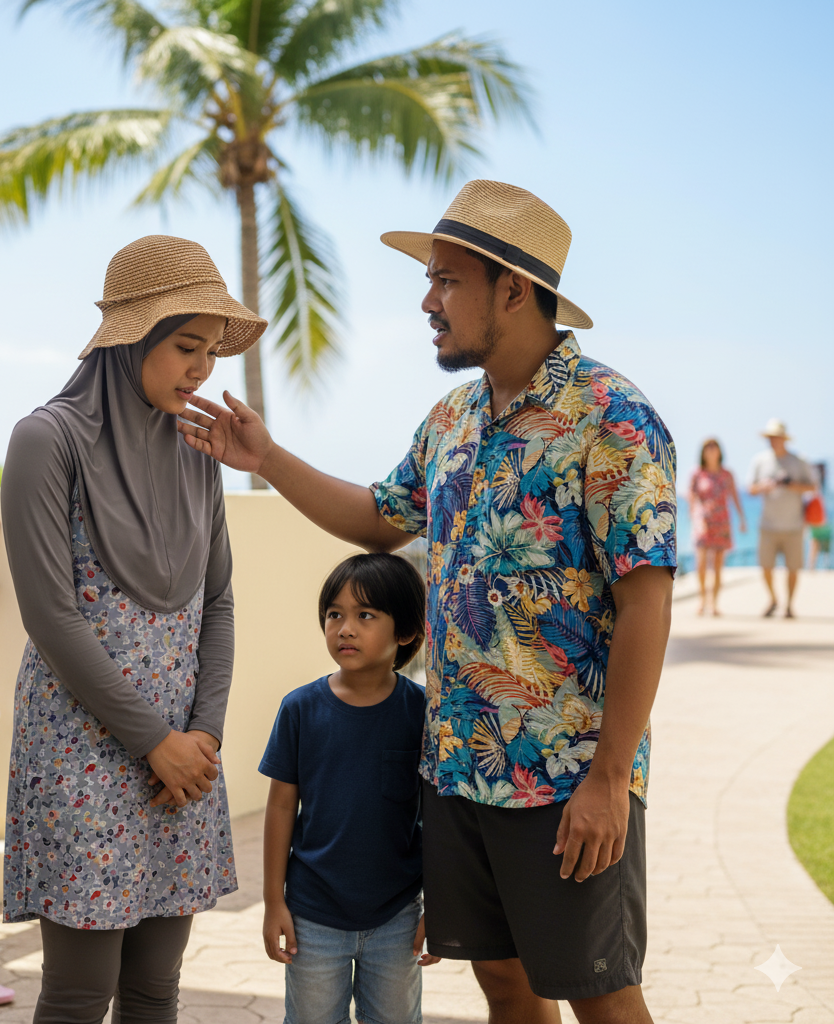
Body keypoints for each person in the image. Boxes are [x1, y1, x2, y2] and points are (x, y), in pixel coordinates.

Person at [179, 181, 676, 1024]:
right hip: (457, 771)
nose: (427, 301)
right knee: (505, 983)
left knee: (597, 990)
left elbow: (647, 605)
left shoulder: (613, 417)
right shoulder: (450, 418)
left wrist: (609, 776)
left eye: (446, 280)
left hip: (563, 781)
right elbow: (379, 517)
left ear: (512, 289)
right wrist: (266, 459)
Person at [0, 235, 266, 1024]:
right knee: (81, 994)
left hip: (181, 760)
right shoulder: (47, 440)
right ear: (129, 339)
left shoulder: (197, 450)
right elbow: (51, 617)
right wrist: (156, 740)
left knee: (155, 988)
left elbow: (216, 603)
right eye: (187, 346)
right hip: (86, 750)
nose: (202, 370)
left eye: (211, 351)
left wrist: (202, 738)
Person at [259, 553, 438, 1024]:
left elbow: (439, 814)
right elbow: (280, 808)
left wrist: (442, 905)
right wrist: (273, 901)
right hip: (312, 917)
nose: (345, 628)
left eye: (365, 615)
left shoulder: (422, 713)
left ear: (405, 632)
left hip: (397, 916)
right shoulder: (299, 709)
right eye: (334, 614)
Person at [748, 419, 817, 618]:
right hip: (768, 524)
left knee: (793, 568)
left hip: (794, 525)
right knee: (766, 567)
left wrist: (790, 484)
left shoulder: (799, 461)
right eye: (770, 437)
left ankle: (789, 605)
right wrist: (765, 485)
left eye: (776, 437)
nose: (773, 441)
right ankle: (773, 599)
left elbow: (812, 487)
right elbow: (751, 488)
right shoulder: (760, 460)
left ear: (784, 439)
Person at [688, 438, 746, 615]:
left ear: (720, 452)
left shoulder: (727, 474)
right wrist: (695, 518)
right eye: (708, 448)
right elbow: (692, 498)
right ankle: (702, 599)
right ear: (703, 452)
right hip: (703, 522)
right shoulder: (697, 474)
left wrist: (742, 519)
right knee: (702, 563)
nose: (712, 451)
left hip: (722, 522)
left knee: (719, 565)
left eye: (714, 447)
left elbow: (735, 496)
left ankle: (714, 603)